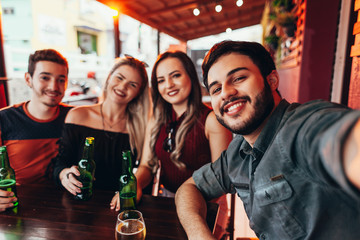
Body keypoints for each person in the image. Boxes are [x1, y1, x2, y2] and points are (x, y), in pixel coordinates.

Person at [175, 40, 360, 240]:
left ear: (271, 80)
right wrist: (199, 235)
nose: (226, 92)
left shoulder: (301, 127)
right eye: (216, 89)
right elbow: (189, 188)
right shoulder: (237, 153)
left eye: (238, 78)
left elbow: (343, 140)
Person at [110, 51, 233, 238]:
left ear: (190, 76)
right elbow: (146, 165)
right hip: (166, 199)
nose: (168, 85)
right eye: (160, 80)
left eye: (176, 75)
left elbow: (222, 180)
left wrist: (189, 207)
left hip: (207, 203)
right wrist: (136, 184)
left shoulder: (211, 120)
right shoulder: (157, 119)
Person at [53, 56, 149, 196]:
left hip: (119, 202)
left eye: (132, 84)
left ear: (138, 93)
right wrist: (65, 175)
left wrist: (134, 185)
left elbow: (146, 167)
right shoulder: (78, 115)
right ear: (109, 77)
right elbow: (60, 164)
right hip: (79, 199)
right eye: (119, 78)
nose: (122, 87)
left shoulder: (140, 127)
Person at [0, 49, 71, 212]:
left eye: (61, 80)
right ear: (28, 79)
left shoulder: (75, 117)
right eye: (45, 77)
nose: (54, 86)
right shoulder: (4, 119)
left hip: (70, 206)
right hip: (22, 207)